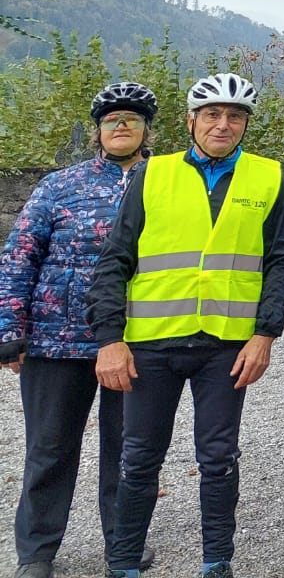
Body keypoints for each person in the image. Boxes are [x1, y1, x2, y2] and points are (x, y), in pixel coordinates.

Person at [89, 72, 284, 578]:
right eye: (212, 115)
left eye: (234, 116)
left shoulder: (268, 176)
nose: (222, 124)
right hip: (151, 345)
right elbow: (116, 259)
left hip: (226, 346)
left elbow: (283, 261)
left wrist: (265, 334)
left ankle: (216, 563)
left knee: (219, 458)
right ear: (191, 121)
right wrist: (110, 340)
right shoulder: (153, 174)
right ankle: (122, 566)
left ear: (245, 124)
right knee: (138, 459)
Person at [1, 83, 161, 578]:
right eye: (112, 119)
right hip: (57, 341)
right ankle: (37, 552)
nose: (121, 126)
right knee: (49, 449)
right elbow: (19, 255)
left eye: (131, 119)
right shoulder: (59, 185)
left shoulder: (169, 183)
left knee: (128, 451)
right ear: (98, 130)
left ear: (145, 129)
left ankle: (124, 546)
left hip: (138, 340)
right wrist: (9, 325)